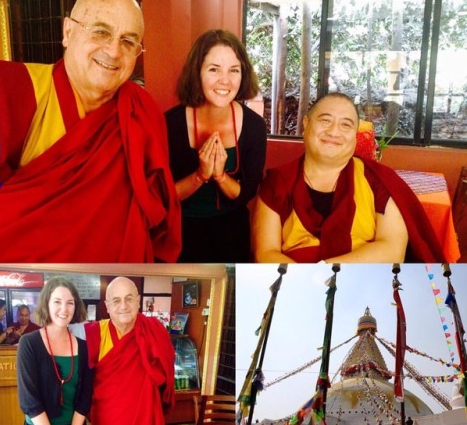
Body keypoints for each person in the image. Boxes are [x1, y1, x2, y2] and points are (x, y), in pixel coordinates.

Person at [0, 0, 180, 263]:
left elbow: (155, 204)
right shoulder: (12, 96)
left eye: (128, 41)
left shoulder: (142, 110)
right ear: (68, 32)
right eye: (101, 32)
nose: (114, 51)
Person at [252, 92, 446, 263]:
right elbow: (266, 252)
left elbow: (392, 250)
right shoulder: (277, 181)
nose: (334, 131)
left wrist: (325, 273)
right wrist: (305, 285)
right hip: (295, 286)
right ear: (305, 124)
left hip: (364, 287)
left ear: (355, 134)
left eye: (346, 125)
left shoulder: (377, 179)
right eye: (325, 120)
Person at [165, 29, 267, 262]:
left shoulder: (254, 126)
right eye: (214, 69)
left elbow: (247, 193)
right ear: (197, 72)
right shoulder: (169, 123)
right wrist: (200, 176)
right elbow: (162, 195)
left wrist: (220, 176)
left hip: (231, 234)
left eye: (234, 70)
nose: (225, 80)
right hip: (179, 233)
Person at [78, 276, 174, 425]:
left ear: (138, 301)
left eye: (129, 298)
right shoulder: (94, 333)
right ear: (107, 305)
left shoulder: (154, 331)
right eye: (116, 300)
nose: (123, 305)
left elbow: (166, 379)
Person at [16, 276, 93, 425]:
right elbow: (29, 401)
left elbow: (85, 398)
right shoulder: (29, 343)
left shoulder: (85, 347)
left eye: (70, 303)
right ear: (46, 304)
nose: (64, 309)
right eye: (57, 302)